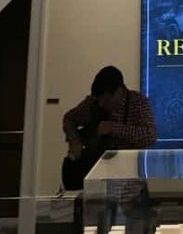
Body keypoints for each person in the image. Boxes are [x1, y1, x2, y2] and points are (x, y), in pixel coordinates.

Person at [63, 66, 156, 234]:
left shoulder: (138, 102)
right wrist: (74, 140)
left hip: (131, 184)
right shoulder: (93, 104)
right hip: (98, 183)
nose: (101, 104)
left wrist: (113, 128)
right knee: (98, 225)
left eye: (105, 100)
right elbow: (69, 118)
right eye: (98, 100)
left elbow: (149, 136)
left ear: (118, 92)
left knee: (137, 223)